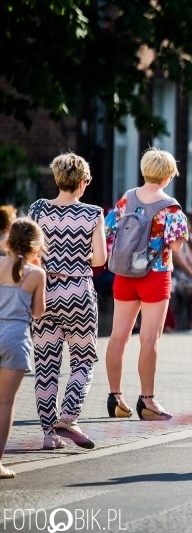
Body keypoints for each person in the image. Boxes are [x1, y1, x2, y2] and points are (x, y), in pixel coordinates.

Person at [104, 147, 189, 421]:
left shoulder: (126, 199)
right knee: (149, 339)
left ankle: (115, 397)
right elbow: (175, 245)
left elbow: (107, 230)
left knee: (118, 337)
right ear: (167, 176)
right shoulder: (171, 207)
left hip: (124, 274)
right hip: (155, 274)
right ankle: (147, 401)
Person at [28, 153, 106, 450]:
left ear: (57, 179)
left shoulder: (38, 209)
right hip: (78, 293)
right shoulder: (92, 213)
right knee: (83, 360)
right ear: (83, 182)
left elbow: (28, 248)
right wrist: (75, 258)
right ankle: (69, 416)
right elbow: (100, 259)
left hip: (44, 292)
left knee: (46, 365)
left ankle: (49, 435)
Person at [0, 219, 46, 478]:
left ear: (8, 242)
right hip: (15, 338)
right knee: (5, 403)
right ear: (36, 248)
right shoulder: (36, 274)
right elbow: (38, 312)